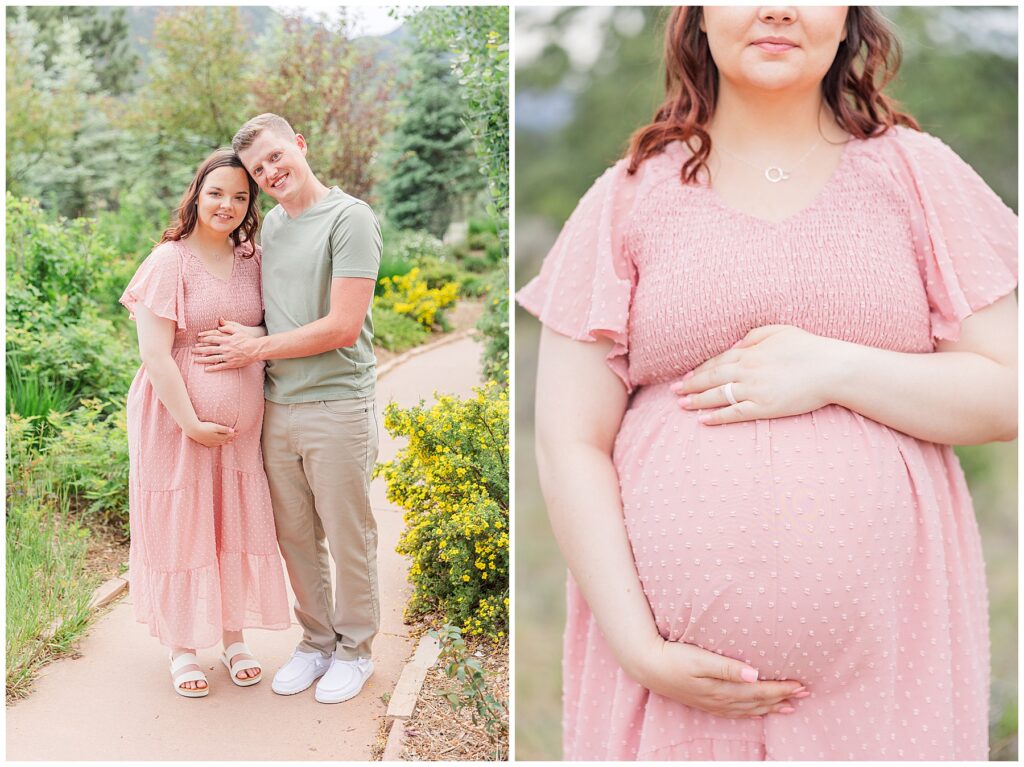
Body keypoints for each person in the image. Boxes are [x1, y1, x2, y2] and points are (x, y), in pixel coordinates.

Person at [519, 6, 1016, 761]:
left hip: (887, 688)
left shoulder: (918, 174)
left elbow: (1007, 392)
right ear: (697, 16)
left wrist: (835, 369)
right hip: (674, 698)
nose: (777, 8)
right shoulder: (628, 195)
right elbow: (567, 440)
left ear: (849, 16)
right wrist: (641, 649)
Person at [194, 113, 383, 705]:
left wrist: (254, 347)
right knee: (295, 537)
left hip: (338, 405)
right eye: (258, 168)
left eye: (277, 157)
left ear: (300, 146)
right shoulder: (270, 228)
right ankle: (316, 643)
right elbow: (279, 314)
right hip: (278, 407)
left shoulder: (350, 219)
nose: (271, 172)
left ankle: (356, 651)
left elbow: (343, 327)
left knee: (348, 535)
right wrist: (235, 334)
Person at [120, 148, 291, 698]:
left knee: (230, 523)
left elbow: (269, 328)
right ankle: (182, 649)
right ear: (197, 194)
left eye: (241, 196)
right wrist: (192, 422)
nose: (228, 205)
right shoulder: (169, 261)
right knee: (183, 525)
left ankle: (234, 639)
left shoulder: (252, 259)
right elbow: (156, 355)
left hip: (238, 434)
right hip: (175, 422)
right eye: (217, 192)